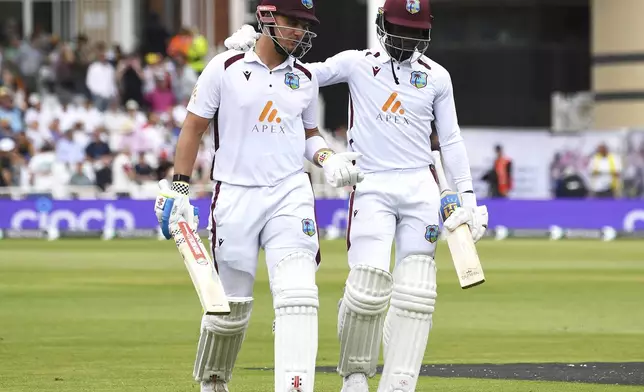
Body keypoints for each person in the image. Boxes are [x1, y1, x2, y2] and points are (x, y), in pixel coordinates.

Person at [225, 1, 488, 391]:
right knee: (368, 287)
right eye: (400, 29)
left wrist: (466, 198)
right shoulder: (356, 63)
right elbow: (299, 76)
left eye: (416, 32)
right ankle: (355, 376)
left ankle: (399, 383)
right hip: (372, 184)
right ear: (382, 25)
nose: (407, 40)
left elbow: (450, 140)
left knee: (417, 292)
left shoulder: (437, 77)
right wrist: (253, 50)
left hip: (420, 187)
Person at [154, 1, 363, 391]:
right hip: (235, 194)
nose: (300, 31)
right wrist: (180, 187)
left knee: (299, 295)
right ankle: (214, 382)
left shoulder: (304, 77)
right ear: (266, 17)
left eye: (305, 24)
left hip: (290, 193)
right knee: (230, 308)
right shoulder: (225, 67)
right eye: (292, 21)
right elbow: (193, 128)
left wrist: (327, 159)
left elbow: (307, 134)